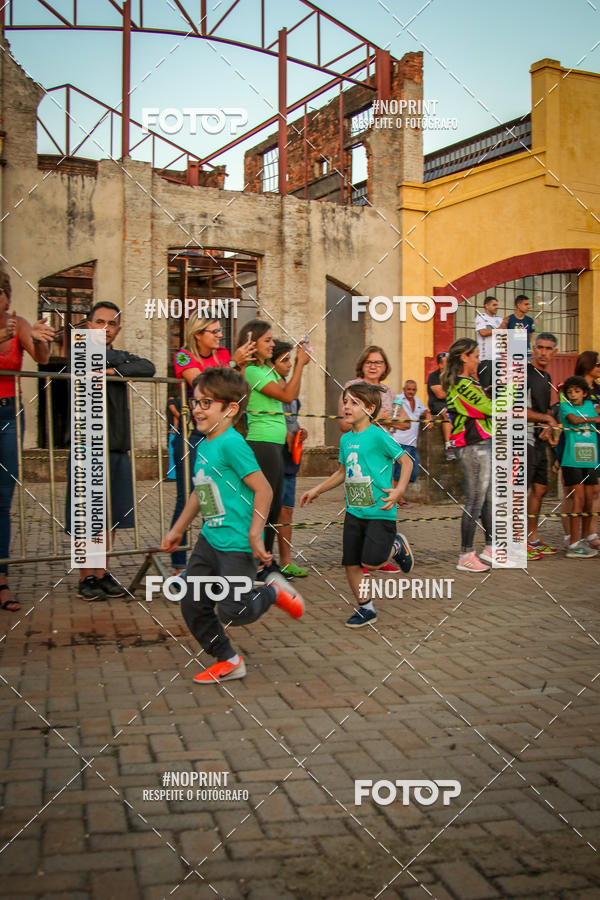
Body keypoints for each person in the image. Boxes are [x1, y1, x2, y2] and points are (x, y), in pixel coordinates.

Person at [161, 367, 304, 684]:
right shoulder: (206, 443)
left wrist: (256, 533)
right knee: (192, 605)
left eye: (206, 403)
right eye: (195, 402)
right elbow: (201, 492)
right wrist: (177, 530)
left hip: (237, 545)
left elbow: (264, 489)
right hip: (209, 541)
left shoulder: (231, 444)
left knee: (233, 610)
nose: (197, 409)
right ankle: (229, 660)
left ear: (230, 408)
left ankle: (271, 592)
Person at [300, 381, 414, 628]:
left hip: (380, 510)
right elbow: (342, 472)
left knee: (371, 563)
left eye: (354, 403)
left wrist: (400, 490)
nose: (347, 407)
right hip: (354, 511)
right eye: (345, 402)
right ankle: (366, 608)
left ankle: (396, 546)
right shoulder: (345, 440)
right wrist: (317, 490)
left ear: (370, 408)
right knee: (351, 563)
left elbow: (407, 462)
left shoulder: (378, 436)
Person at [66, 302, 156, 601]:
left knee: (110, 514)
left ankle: (102, 573)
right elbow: (85, 359)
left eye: (112, 324)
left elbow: (148, 367)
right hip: (87, 444)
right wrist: (117, 363)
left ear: (118, 328)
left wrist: (110, 368)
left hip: (116, 443)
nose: (105, 328)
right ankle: (86, 576)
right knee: (86, 514)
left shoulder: (114, 357)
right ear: (88, 324)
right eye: (99, 322)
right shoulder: (79, 351)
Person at [171, 315, 255, 572]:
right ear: (198, 334)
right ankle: (179, 564)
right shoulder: (183, 356)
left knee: (223, 493)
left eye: (221, 331)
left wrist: (236, 366)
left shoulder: (224, 355)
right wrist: (233, 363)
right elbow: (200, 384)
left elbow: (236, 388)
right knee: (189, 496)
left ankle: (221, 555)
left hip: (224, 433)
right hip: (193, 435)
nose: (220, 335)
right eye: (214, 331)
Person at [237, 320, 310, 577]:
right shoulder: (252, 372)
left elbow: (290, 391)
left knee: (274, 503)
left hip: (274, 444)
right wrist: (300, 363)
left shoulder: (266, 370)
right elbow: (288, 396)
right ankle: (260, 564)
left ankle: (266, 561)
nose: (272, 344)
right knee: (265, 505)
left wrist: (297, 362)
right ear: (252, 343)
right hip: (262, 444)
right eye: (267, 340)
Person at [0, 272, 55, 611]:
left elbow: (43, 359)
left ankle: (2, 582)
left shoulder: (16, 323)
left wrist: (41, 338)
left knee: (3, 500)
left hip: (7, 414)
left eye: (3, 294)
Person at [442, 338, 494, 572]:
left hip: (483, 442)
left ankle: (491, 547)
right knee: (475, 499)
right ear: (464, 357)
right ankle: (465, 554)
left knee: (488, 498)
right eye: (475, 355)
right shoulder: (460, 385)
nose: (479, 360)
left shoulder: (470, 382)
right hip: (471, 446)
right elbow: (488, 409)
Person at [271, 341, 309, 578]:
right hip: (272, 453)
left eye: (290, 360)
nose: (288, 365)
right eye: (284, 360)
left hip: (290, 457)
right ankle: (263, 561)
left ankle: (286, 561)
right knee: (268, 510)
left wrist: (300, 432)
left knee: (287, 510)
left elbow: (292, 420)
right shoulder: (268, 387)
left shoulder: (290, 389)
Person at [526, 333, 560, 560]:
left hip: (539, 441)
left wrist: (549, 423)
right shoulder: (523, 374)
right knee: (519, 493)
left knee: (540, 489)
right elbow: (515, 409)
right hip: (521, 441)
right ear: (533, 348)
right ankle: (515, 541)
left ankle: (532, 538)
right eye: (540, 347)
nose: (543, 352)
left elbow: (543, 410)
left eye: (548, 348)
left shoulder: (546, 376)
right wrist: (545, 419)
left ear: (554, 352)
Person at [559, 375, 600, 559]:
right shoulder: (565, 407)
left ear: (585, 393)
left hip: (590, 459)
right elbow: (574, 420)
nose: (573, 395)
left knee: (589, 500)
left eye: (577, 392)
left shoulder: (590, 406)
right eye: (569, 392)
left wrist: (592, 418)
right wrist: (594, 419)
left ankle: (584, 539)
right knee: (578, 499)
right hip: (572, 460)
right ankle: (573, 543)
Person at [338, 346, 408, 435]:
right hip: (360, 446)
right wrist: (378, 418)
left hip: (384, 447)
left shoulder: (388, 391)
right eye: (368, 362)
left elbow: (406, 423)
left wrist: (383, 420)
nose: (373, 366)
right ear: (362, 365)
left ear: (385, 367)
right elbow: (345, 426)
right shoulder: (351, 387)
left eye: (378, 363)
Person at [390, 380, 431, 490]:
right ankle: (398, 499)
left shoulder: (417, 401)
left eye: (413, 389)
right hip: (399, 441)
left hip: (412, 443)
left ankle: (398, 496)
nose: (411, 391)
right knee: (398, 472)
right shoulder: (398, 399)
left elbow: (424, 411)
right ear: (404, 390)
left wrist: (427, 414)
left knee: (412, 472)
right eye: (409, 389)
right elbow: (393, 417)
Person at [427, 352, 455, 460]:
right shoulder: (434, 376)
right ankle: (449, 446)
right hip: (436, 404)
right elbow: (440, 394)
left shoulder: (453, 376)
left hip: (451, 403)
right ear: (440, 365)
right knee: (447, 413)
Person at [475, 296, 502, 391]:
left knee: (497, 390)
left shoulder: (499, 319)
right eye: (494, 305)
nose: (496, 307)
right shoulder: (481, 317)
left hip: (498, 360)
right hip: (485, 359)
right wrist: (499, 330)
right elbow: (483, 332)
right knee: (485, 389)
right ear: (486, 306)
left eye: (497, 305)